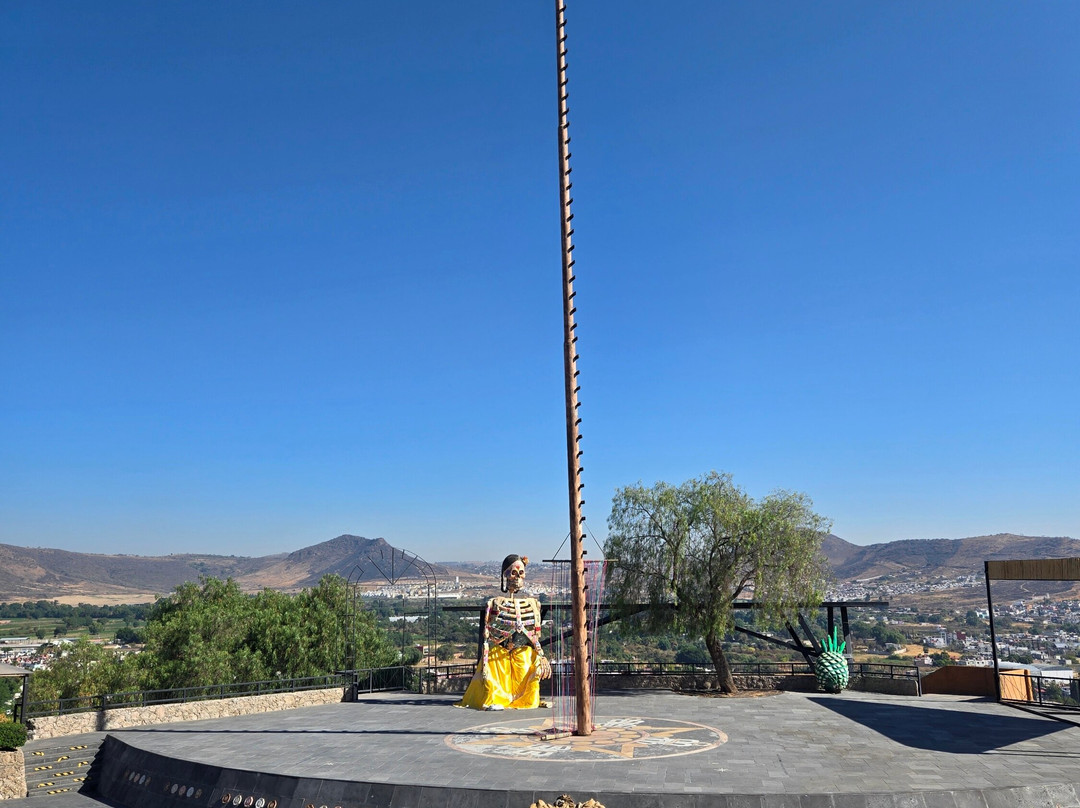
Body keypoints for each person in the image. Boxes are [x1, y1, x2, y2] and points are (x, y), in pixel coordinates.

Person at [455, 554, 551, 710]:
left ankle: (529, 699)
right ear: (505, 575)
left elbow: (534, 636)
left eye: (521, 573)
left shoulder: (534, 604)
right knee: (495, 659)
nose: (517, 577)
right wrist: (484, 662)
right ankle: (494, 699)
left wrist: (542, 656)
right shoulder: (494, 603)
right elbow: (486, 635)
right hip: (500, 649)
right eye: (513, 573)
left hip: (521, 649)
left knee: (528, 658)